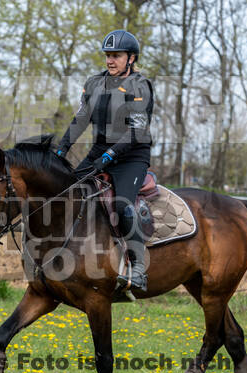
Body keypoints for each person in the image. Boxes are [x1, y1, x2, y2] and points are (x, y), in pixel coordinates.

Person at [54, 29, 154, 292]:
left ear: (131, 58)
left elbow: (137, 130)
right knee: (68, 193)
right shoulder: (94, 83)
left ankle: (139, 268)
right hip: (99, 151)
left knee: (122, 206)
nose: (110, 60)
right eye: (108, 55)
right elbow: (81, 119)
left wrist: (110, 156)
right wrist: (62, 149)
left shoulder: (140, 85)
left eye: (116, 56)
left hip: (132, 156)